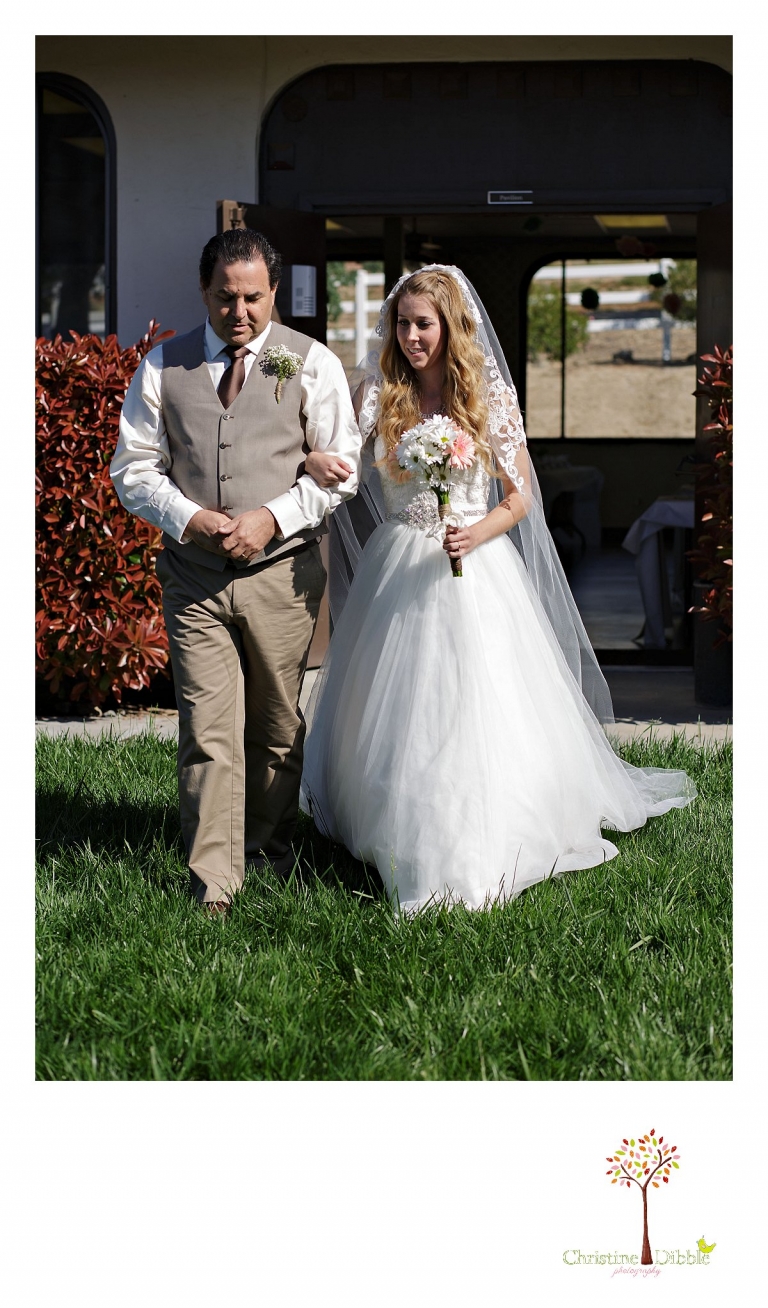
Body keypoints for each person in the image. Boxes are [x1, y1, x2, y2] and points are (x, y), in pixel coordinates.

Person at [299, 265, 695, 913]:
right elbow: (341, 460)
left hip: (474, 567)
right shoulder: (380, 395)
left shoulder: (487, 398)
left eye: (423, 323)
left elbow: (520, 499)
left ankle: (478, 825)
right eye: (402, 323)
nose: (410, 336)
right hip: (397, 564)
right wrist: (314, 457)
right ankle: (392, 819)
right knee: (394, 704)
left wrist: (474, 532)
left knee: (476, 700)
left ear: (450, 326)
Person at [111, 229, 362, 913]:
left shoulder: (309, 364)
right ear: (205, 292)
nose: (240, 311)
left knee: (278, 727)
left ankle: (270, 852)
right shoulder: (162, 367)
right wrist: (189, 518)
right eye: (227, 297)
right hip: (193, 577)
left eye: (254, 297)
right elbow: (132, 469)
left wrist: (272, 517)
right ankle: (215, 884)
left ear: (274, 293)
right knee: (208, 728)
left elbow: (342, 469)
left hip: (282, 575)